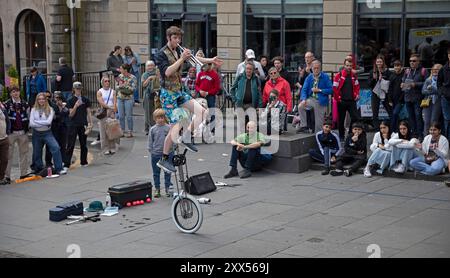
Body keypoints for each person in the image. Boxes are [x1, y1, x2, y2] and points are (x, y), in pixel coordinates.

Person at [154, 26, 222, 173]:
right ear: (169, 38)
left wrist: (211, 59)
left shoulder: (179, 50)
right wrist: (181, 59)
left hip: (179, 91)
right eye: (175, 38)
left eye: (179, 38)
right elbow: (167, 72)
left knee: (203, 112)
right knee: (175, 127)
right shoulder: (161, 54)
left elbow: (195, 59)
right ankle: (164, 159)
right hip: (168, 94)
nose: (177, 41)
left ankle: (187, 136)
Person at [29, 93, 67, 176]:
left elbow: (48, 122)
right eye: (39, 99)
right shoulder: (33, 109)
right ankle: (39, 169)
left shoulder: (50, 109)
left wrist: (37, 122)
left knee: (56, 147)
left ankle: (59, 168)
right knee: (37, 152)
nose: (41, 100)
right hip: (36, 133)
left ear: (45, 100)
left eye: (43, 99)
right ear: (37, 100)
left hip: (47, 133)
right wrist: (43, 123)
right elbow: (31, 123)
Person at [297, 60, 333, 133]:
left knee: (319, 124)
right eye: (314, 68)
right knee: (300, 106)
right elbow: (304, 89)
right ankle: (304, 126)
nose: (316, 70)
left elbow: (331, 90)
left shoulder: (325, 77)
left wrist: (319, 90)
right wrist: (303, 99)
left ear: (320, 68)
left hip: (321, 101)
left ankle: (318, 136)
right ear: (311, 68)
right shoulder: (309, 77)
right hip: (311, 99)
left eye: (317, 68)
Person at [4, 87, 30, 183]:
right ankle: (6, 176)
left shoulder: (25, 104)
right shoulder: (6, 104)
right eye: (13, 92)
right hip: (11, 133)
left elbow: (29, 116)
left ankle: (23, 173)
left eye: (17, 91)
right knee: (8, 155)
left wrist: (28, 128)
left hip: (23, 132)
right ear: (10, 94)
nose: (16, 93)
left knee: (24, 153)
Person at [65, 82, 93, 168]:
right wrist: (76, 106)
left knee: (83, 144)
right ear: (74, 89)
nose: (78, 90)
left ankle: (84, 162)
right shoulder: (70, 100)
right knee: (71, 144)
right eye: (77, 89)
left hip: (82, 123)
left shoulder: (85, 100)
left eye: (80, 89)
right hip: (73, 124)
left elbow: (88, 112)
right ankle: (67, 163)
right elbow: (70, 114)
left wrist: (90, 123)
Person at [333, 58, 361, 140]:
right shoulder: (339, 75)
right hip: (341, 101)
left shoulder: (354, 76)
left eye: (350, 66)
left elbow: (357, 87)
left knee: (355, 117)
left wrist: (357, 94)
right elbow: (334, 88)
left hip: (351, 101)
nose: (349, 67)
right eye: (347, 65)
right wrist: (338, 98)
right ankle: (341, 136)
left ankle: (350, 134)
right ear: (344, 65)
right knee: (341, 120)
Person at [401, 54, 427, 139]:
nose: (412, 62)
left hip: (418, 98)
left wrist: (415, 84)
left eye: (414, 61)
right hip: (408, 97)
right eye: (410, 61)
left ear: (418, 62)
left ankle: (420, 135)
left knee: (418, 117)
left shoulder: (423, 71)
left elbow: (426, 83)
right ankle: (414, 134)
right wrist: (402, 84)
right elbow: (403, 80)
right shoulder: (407, 71)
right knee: (411, 117)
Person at [148, 109, 173, 198]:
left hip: (168, 153)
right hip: (156, 153)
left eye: (162, 117)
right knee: (156, 172)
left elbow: (172, 139)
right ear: (155, 119)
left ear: (164, 118)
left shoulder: (168, 128)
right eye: (158, 118)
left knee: (167, 172)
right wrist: (151, 150)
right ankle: (157, 188)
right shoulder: (153, 129)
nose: (160, 120)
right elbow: (150, 140)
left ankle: (167, 188)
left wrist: (172, 148)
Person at [44, 91, 69, 170]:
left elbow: (66, 114)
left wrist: (61, 108)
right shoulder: (51, 106)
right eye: (55, 98)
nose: (57, 100)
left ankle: (62, 162)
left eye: (59, 98)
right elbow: (54, 117)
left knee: (62, 145)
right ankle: (48, 163)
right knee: (51, 146)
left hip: (62, 128)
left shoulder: (64, 106)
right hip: (53, 128)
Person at [368, 55, 392, 132]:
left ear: (383, 62)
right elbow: (369, 84)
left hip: (385, 93)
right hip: (375, 93)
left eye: (380, 61)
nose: (379, 63)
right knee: (375, 113)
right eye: (377, 62)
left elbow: (390, 82)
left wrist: (383, 79)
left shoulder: (387, 71)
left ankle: (391, 127)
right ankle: (377, 130)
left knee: (390, 110)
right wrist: (374, 79)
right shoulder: (373, 72)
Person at [195, 62, 221, 132]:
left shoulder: (215, 75)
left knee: (211, 111)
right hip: (200, 95)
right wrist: (200, 90)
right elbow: (196, 84)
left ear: (209, 65)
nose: (203, 67)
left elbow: (217, 88)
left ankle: (212, 130)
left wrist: (208, 92)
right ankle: (198, 129)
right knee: (199, 111)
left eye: (205, 66)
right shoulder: (200, 73)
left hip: (210, 96)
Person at [97, 76, 118, 155]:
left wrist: (114, 109)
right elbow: (101, 102)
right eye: (105, 81)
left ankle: (112, 147)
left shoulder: (113, 91)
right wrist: (109, 107)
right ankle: (105, 148)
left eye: (108, 81)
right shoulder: (100, 91)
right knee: (103, 130)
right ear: (102, 82)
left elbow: (115, 101)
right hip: (104, 111)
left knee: (112, 130)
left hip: (112, 111)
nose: (107, 82)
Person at [116, 63, 137, 138]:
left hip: (128, 98)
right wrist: (119, 87)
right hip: (120, 97)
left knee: (129, 116)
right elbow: (116, 86)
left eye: (121, 68)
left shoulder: (133, 77)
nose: (120, 70)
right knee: (121, 116)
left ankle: (130, 131)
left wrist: (125, 87)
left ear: (125, 70)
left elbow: (134, 89)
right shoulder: (120, 76)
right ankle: (122, 131)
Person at [422, 64, 443, 138]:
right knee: (426, 122)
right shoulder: (428, 80)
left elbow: (441, 91)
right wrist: (434, 91)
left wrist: (432, 89)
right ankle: (426, 139)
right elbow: (423, 91)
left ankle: (434, 139)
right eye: (434, 69)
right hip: (428, 101)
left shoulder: (442, 80)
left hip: (437, 101)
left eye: (437, 69)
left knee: (433, 121)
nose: (435, 71)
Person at [142, 60, 160, 134]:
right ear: (146, 67)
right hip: (148, 95)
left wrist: (156, 77)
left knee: (155, 112)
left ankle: (154, 127)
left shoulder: (157, 73)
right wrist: (149, 79)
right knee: (147, 112)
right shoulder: (144, 75)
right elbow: (143, 85)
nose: (150, 67)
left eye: (151, 65)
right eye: (148, 66)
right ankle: (147, 129)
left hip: (156, 95)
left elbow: (160, 81)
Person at [389, 60, 405, 132]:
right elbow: (389, 88)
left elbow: (404, 89)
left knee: (395, 114)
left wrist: (401, 99)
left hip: (401, 100)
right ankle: (395, 130)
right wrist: (389, 100)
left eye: (398, 66)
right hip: (393, 100)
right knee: (394, 115)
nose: (396, 67)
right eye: (395, 66)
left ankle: (393, 130)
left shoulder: (404, 75)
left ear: (401, 66)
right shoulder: (392, 76)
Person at [438, 47, 450, 139]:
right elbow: (439, 82)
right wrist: (441, 93)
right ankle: (447, 140)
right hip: (445, 97)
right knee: (447, 119)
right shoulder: (443, 69)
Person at [0, 101, 10, 185]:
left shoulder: (2, 107)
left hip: (4, 138)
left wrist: (7, 132)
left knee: (5, 160)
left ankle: (1, 177)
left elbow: (7, 120)